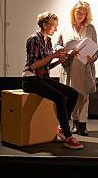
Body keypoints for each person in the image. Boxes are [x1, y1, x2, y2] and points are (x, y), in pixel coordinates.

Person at [22, 12, 83, 149]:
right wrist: (54, 55)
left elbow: (46, 65)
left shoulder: (48, 40)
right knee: (60, 98)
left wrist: (61, 59)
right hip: (31, 79)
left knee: (73, 93)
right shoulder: (34, 39)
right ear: (44, 25)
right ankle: (68, 136)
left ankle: (62, 127)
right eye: (53, 26)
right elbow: (33, 65)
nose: (55, 29)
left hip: (43, 78)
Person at [56, 1, 98, 136]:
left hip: (85, 67)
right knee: (71, 95)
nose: (81, 15)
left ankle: (83, 125)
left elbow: (96, 48)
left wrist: (93, 57)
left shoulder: (90, 28)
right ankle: (74, 122)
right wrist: (66, 52)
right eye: (78, 12)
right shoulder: (65, 28)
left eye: (84, 13)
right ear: (73, 12)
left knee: (84, 96)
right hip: (69, 67)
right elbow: (57, 45)